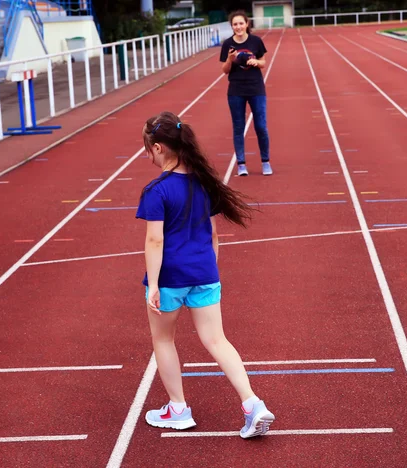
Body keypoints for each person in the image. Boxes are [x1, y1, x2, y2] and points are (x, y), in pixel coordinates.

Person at [136, 111, 275, 438]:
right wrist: (208, 267)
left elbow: (155, 240)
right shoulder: (204, 183)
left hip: (170, 278)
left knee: (163, 340)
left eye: (147, 149)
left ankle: (178, 409)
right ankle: (252, 403)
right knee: (217, 339)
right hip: (205, 273)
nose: (146, 156)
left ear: (158, 148)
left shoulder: (157, 190)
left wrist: (153, 284)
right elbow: (212, 234)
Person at [220, 10, 272, 177]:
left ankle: (265, 161)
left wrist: (256, 61)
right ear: (232, 26)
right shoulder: (228, 44)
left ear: (247, 24)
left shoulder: (256, 41)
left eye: (241, 23)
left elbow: (263, 62)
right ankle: (241, 164)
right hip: (236, 91)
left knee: (261, 127)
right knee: (238, 128)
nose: (238, 27)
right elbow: (225, 71)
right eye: (235, 24)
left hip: (256, 89)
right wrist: (230, 59)